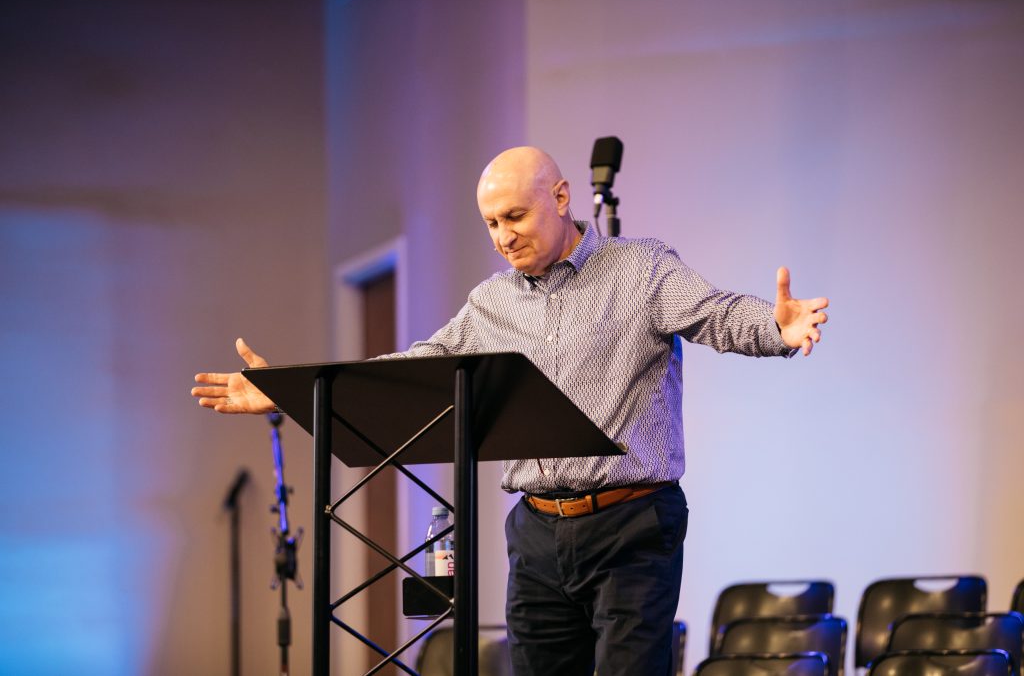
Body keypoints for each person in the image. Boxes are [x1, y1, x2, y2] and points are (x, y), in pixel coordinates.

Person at [192, 146, 829, 675]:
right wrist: (293, 391)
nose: (503, 237)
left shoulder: (639, 269)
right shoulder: (491, 302)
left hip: (632, 525)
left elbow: (717, 313)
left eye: (515, 216)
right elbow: (416, 368)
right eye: (492, 223)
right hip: (537, 533)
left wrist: (775, 328)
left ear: (561, 197)